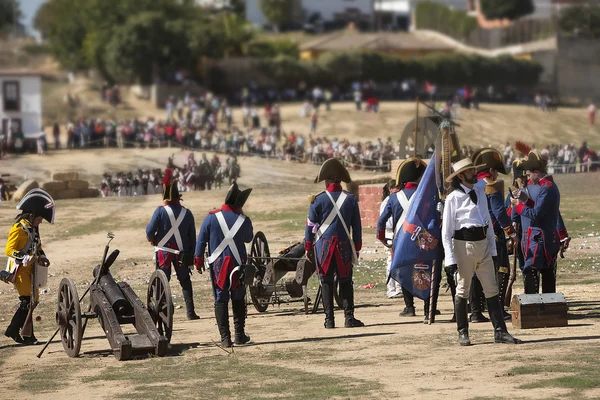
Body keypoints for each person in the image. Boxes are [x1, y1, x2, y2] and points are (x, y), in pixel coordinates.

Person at [442, 158, 520, 346]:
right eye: (470, 171)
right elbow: (446, 232)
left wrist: (493, 251)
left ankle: (500, 331)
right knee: (462, 290)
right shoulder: (453, 198)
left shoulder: (480, 191)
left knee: (491, 289)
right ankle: (463, 332)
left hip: (483, 242)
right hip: (463, 244)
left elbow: (487, 222)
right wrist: (450, 259)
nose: (474, 173)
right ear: (460, 176)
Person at [305, 159, 364, 329]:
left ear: (327, 180)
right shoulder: (351, 200)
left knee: (326, 282)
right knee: (346, 281)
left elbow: (310, 227)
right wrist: (357, 247)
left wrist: (308, 247)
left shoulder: (318, 200)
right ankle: (349, 318)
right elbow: (357, 227)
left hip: (323, 247)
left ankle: (329, 320)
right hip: (344, 247)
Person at [195, 183, 254, 347]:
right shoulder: (244, 220)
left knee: (221, 298)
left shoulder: (211, 217)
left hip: (219, 265)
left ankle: (225, 339)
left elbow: (201, 241)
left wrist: (198, 261)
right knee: (238, 297)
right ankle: (239, 336)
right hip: (238, 264)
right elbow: (249, 237)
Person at [510, 150, 568, 294]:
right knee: (546, 270)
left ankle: (535, 308)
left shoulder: (546, 188)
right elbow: (537, 207)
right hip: (542, 237)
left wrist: (518, 206)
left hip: (540, 237)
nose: (527, 178)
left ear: (536, 172)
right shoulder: (546, 186)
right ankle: (546, 307)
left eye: (529, 174)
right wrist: (524, 199)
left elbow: (536, 214)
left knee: (530, 269)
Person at [146, 168, 199, 320]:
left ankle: (161, 313)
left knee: (162, 282)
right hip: (182, 253)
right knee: (185, 282)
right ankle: (190, 312)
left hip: (164, 252)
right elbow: (192, 237)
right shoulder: (187, 213)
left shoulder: (160, 211)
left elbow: (149, 231)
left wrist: (153, 239)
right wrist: (191, 254)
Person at [377, 158, 427, 318]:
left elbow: (381, 221)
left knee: (405, 272)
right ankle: (428, 308)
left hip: (401, 241)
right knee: (423, 270)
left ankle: (410, 307)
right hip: (421, 239)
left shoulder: (393, 198)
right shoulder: (425, 196)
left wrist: (382, 238)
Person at [2, 189, 54, 344]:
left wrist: (43, 257)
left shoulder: (34, 229)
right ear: (32, 216)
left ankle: (18, 331)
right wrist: (24, 256)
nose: (41, 221)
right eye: (39, 218)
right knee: (27, 302)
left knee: (33, 301)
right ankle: (21, 333)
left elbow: (38, 247)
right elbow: (9, 250)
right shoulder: (18, 228)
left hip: (32, 270)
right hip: (20, 270)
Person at [473, 148, 517, 320]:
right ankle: (497, 309)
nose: (497, 175)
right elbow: (499, 213)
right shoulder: (490, 186)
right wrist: (511, 233)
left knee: (476, 272)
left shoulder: (473, 185)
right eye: (496, 171)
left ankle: (476, 311)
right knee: (502, 270)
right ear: (490, 170)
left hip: (476, 234)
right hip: (493, 235)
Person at [378, 179, 402, 299]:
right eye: (395, 187)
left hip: (397, 234)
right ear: (390, 189)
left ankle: (399, 287)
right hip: (389, 234)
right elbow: (385, 222)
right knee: (391, 263)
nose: (398, 189)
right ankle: (391, 289)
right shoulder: (387, 202)